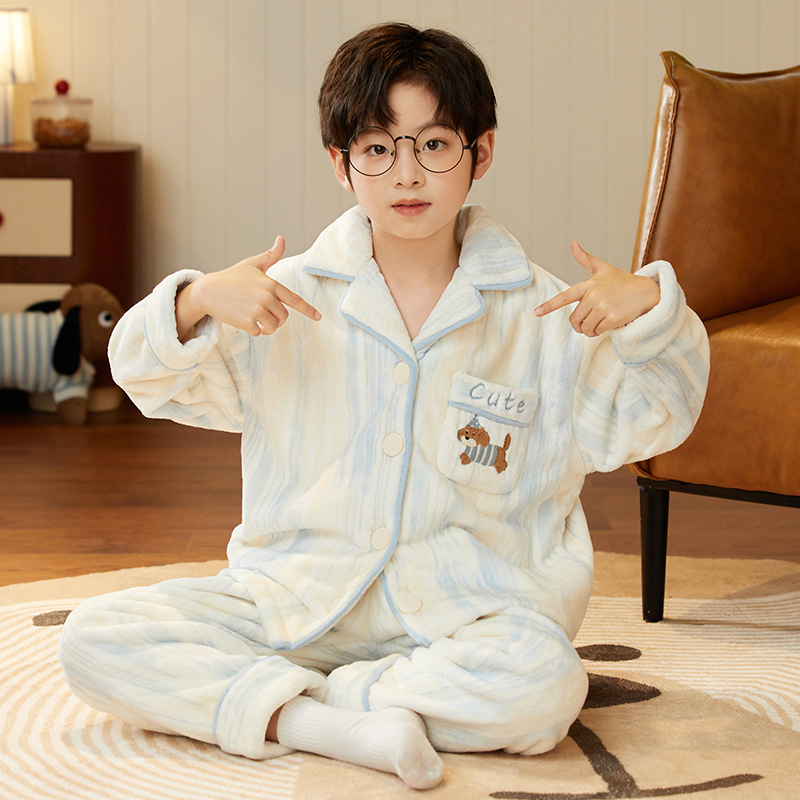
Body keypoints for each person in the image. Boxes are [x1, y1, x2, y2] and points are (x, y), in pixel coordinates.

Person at [59, 22, 709, 791]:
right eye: (377, 147)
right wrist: (195, 299)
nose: (407, 174)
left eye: (434, 145)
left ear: (481, 153)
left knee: (543, 685)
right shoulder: (281, 299)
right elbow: (142, 374)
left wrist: (652, 313)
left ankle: (302, 707)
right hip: (294, 601)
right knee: (94, 638)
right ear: (340, 164)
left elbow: (656, 419)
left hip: (468, 617)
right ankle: (340, 722)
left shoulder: (546, 313)